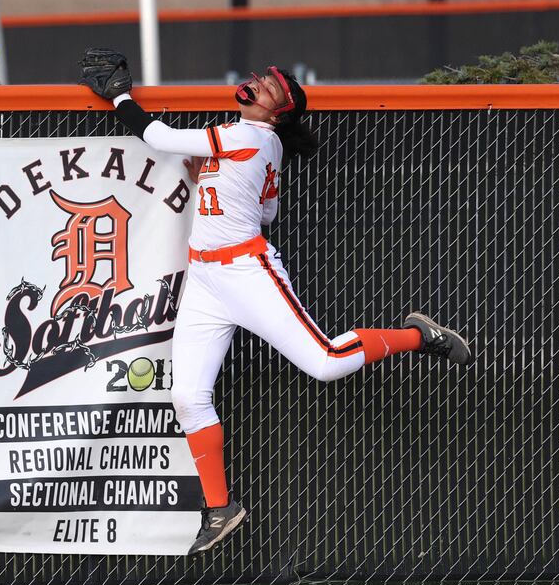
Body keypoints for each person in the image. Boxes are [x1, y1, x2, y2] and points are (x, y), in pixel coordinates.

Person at [81, 54, 472, 554]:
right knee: (188, 398)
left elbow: (157, 136)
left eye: (270, 86)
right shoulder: (260, 141)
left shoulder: (248, 134)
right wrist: (215, 177)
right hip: (204, 279)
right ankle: (219, 508)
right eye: (263, 79)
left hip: (246, 272)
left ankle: (420, 336)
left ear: (277, 111)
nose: (259, 83)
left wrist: (119, 96)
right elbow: (267, 209)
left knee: (326, 362)